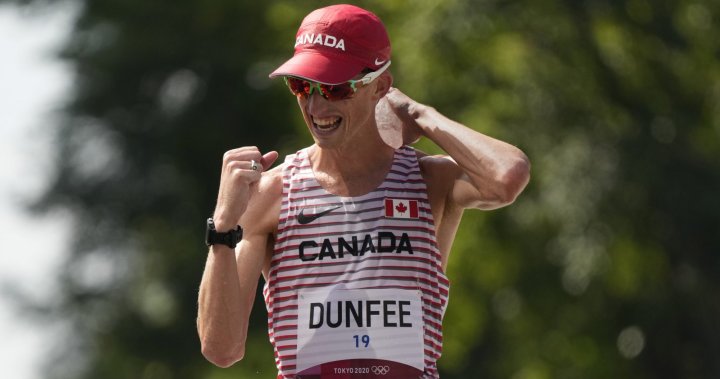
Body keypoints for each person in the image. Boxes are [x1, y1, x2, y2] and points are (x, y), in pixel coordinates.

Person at [197, 4, 530, 378]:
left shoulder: (428, 180)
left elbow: (506, 178)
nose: (316, 105)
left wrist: (419, 113)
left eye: (334, 88)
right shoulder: (274, 192)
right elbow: (221, 349)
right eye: (302, 85)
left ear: (380, 87)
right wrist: (224, 226)